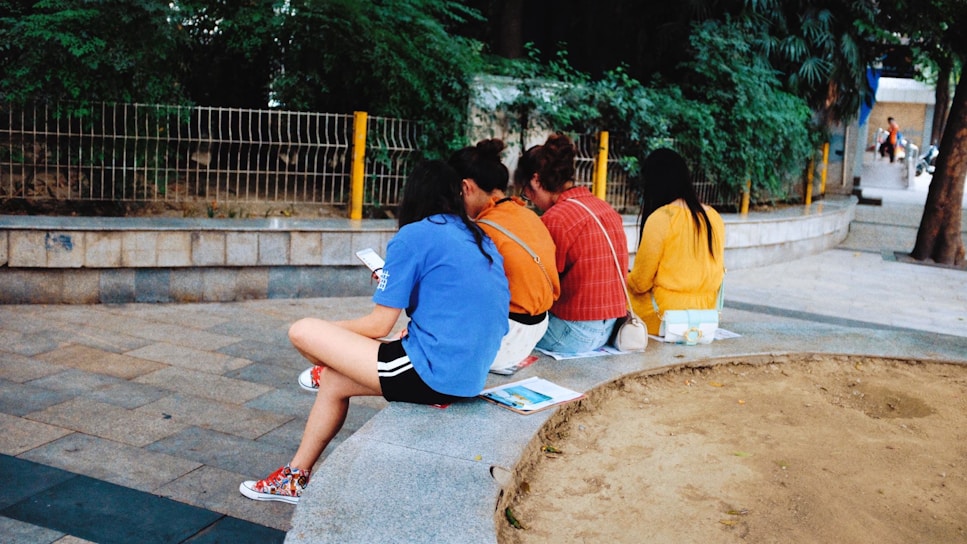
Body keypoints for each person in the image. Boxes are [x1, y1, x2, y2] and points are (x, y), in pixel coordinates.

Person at [240, 160, 509, 503]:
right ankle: (294, 478)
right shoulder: (479, 237)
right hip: (469, 373)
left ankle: (330, 363)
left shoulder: (413, 235)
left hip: (433, 373)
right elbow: (455, 300)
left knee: (303, 329)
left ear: (412, 195)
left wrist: (330, 337)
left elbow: (379, 325)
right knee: (336, 383)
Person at [449, 138, 561, 373]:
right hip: (538, 328)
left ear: (466, 187)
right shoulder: (529, 215)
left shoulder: (483, 230)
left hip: (507, 340)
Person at [513, 132, 628, 354]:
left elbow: (540, 287)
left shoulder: (556, 219)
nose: (531, 202)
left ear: (536, 180)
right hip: (610, 329)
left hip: (572, 334)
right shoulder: (604, 208)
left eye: (526, 194)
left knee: (506, 332)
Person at [626, 148, 725, 335]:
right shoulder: (714, 217)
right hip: (705, 316)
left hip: (664, 316)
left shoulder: (662, 217)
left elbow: (640, 283)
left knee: (620, 290)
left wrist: (626, 278)